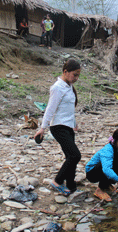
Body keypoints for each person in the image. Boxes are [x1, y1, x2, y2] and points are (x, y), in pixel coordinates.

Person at [34, 59, 81, 195]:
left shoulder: (69, 85)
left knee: (70, 156)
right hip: (58, 127)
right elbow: (50, 108)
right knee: (75, 156)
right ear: (65, 72)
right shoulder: (57, 87)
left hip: (67, 126)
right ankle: (57, 181)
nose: (76, 78)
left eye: (78, 75)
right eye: (74, 75)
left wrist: (74, 123)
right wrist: (43, 128)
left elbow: (69, 108)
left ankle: (71, 185)